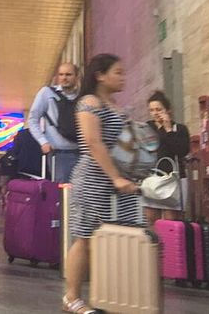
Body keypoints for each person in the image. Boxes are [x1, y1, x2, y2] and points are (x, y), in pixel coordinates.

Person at [61, 54, 142, 314]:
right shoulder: (89, 102)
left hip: (119, 181)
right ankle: (72, 297)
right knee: (84, 237)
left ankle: (111, 296)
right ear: (100, 75)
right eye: (117, 72)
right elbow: (93, 143)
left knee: (117, 237)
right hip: (93, 179)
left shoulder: (116, 105)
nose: (123, 77)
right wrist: (115, 177)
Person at [28, 63, 82, 182]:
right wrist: (43, 142)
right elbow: (33, 119)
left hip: (81, 153)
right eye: (61, 74)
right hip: (58, 153)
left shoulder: (83, 96)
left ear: (77, 76)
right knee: (62, 189)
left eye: (68, 74)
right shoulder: (47, 93)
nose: (64, 78)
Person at [143, 90, 190, 224]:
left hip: (174, 179)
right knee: (151, 217)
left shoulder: (179, 129)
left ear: (168, 110)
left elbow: (181, 151)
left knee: (171, 219)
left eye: (159, 109)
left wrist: (168, 129)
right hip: (152, 178)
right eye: (152, 110)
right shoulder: (147, 128)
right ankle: (154, 239)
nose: (155, 113)